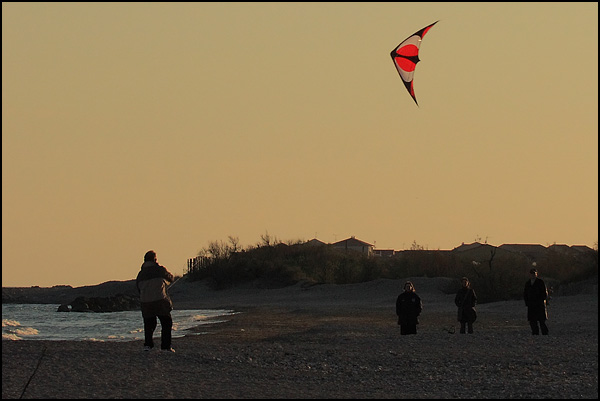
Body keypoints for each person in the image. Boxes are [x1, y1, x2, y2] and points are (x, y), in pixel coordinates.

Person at [136, 250, 176, 351]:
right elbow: (171, 278)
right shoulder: (160, 269)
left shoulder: (140, 274)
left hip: (145, 302)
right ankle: (166, 347)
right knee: (166, 322)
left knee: (149, 324)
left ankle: (148, 345)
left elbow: (138, 288)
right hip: (159, 300)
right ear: (154, 259)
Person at [523, 268, 549, 335]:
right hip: (531, 304)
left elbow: (544, 293)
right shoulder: (528, 283)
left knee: (541, 320)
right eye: (532, 274)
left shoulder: (540, 282)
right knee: (532, 320)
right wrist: (527, 302)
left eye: (534, 274)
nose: (533, 275)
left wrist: (542, 300)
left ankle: (545, 333)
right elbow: (525, 294)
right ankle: (535, 333)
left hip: (539, 304)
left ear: (536, 274)